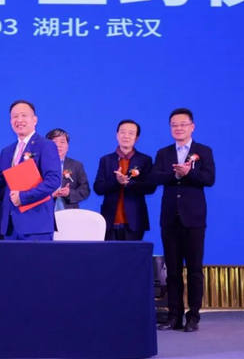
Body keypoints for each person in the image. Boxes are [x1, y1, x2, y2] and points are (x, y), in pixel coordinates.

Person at [152, 108, 215, 333]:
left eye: (182, 124)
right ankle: (174, 316)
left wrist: (189, 173)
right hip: (170, 219)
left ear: (192, 127)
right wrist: (176, 174)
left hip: (194, 219)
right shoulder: (164, 153)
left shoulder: (203, 151)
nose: (178, 128)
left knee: (195, 270)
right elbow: (155, 177)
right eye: (174, 125)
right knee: (173, 271)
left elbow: (209, 179)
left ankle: (193, 316)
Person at [0, 100, 61, 240]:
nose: (19, 120)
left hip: (36, 224)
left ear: (35, 120)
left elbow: (53, 180)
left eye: (24, 115)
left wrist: (23, 197)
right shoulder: (7, 151)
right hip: (10, 226)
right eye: (15, 116)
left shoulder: (45, 145)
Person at [93, 119, 156, 240]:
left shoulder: (145, 160)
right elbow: (98, 188)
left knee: (132, 253)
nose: (126, 136)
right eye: (122, 132)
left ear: (136, 138)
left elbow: (151, 187)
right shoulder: (106, 160)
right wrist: (117, 182)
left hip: (135, 220)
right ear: (117, 135)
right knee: (109, 252)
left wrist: (128, 183)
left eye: (131, 133)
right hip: (110, 221)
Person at [45, 128, 90, 210]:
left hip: (69, 211)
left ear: (67, 146)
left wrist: (69, 193)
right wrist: (50, 195)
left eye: (62, 142)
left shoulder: (76, 165)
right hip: (45, 210)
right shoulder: (40, 165)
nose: (58, 145)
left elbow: (85, 190)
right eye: (54, 142)